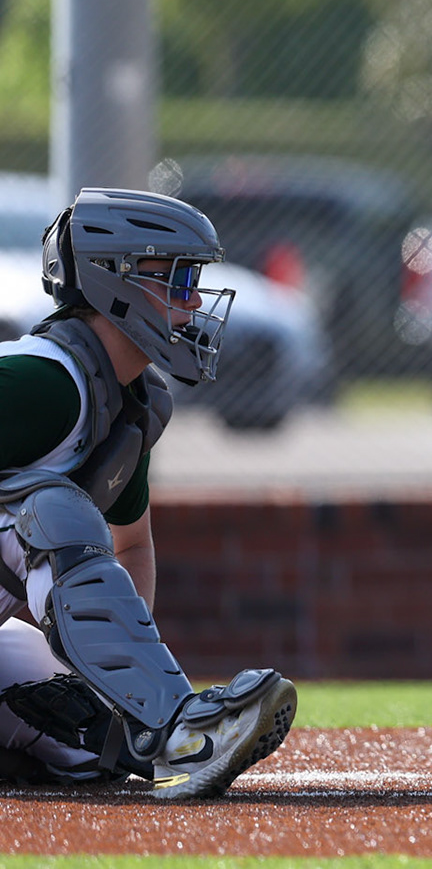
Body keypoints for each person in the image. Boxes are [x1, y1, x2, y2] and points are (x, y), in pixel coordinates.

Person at [0, 188, 297, 797]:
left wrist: (120, 682)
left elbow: (131, 546)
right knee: (52, 513)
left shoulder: (121, 407)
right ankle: (183, 728)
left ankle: (159, 724)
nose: (195, 301)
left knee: (100, 743)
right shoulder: (47, 384)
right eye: (181, 278)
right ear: (118, 283)